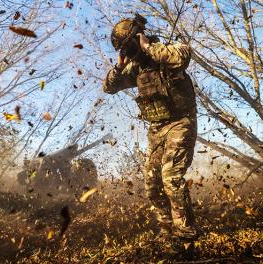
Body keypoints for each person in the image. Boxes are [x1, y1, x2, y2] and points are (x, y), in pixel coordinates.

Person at [103, 14, 198, 256]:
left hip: (180, 123)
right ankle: (168, 234)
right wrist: (120, 65)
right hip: (156, 129)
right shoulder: (137, 68)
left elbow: (182, 56)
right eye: (124, 49)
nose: (129, 51)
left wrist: (149, 47)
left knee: (171, 177)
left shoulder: (167, 52)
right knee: (152, 185)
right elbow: (109, 87)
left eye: (128, 45)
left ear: (139, 37)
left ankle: (186, 239)